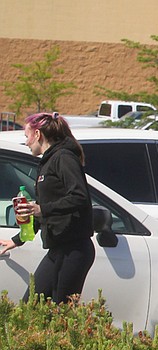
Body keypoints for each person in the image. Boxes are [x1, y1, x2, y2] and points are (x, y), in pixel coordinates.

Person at [0, 112, 95, 303]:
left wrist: (41, 209)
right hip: (58, 248)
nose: (26, 143)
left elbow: (79, 196)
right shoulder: (48, 161)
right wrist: (17, 240)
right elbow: (47, 209)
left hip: (74, 249)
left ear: (37, 134)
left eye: (27, 137)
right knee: (32, 306)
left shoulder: (64, 157)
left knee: (61, 312)